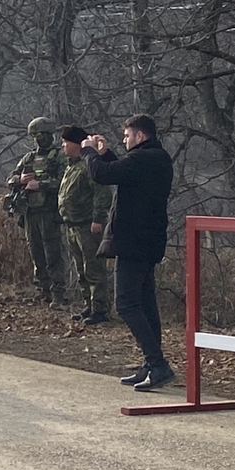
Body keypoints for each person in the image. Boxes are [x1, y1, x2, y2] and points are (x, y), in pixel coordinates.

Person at [82, 114, 175, 392]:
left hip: (134, 242)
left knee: (126, 303)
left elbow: (103, 174)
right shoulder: (156, 158)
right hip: (147, 241)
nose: (124, 140)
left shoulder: (143, 160)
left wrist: (88, 151)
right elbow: (120, 170)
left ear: (141, 136)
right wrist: (105, 153)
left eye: (127, 136)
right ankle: (151, 364)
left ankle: (157, 364)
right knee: (146, 305)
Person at [7, 117, 67, 306]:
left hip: (49, 212)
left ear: (49, 135)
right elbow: (11, 178)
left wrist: (40, 184)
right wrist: (21, 180)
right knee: (36, 252)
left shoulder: (59, 157)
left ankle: (58, 293)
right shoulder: (29, 158)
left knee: (53, 253)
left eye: (40, 135)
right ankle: (43, 291)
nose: (37, 140)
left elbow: (64, 182)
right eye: (35, 136)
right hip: (30, 212)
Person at [58, 125, 112, 324]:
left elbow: (102, 192)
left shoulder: (87, 165)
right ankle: (88, 306)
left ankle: (100, 310)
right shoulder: (71, 166)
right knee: (81, 269)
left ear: (75, 143)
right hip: (73, 225)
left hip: (88, 225)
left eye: (65, 142)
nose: (63, 146)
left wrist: (98, 218)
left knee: (93, 268)